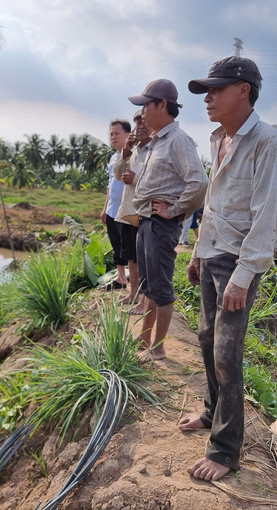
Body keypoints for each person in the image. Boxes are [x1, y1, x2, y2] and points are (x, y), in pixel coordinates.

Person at [181, 56, 277, 481]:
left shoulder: (268, 142)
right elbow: (214, 203)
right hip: (211, 252)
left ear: (243, 91)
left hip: (237, 260)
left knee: (228, 353)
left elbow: (267, 217)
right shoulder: (218, 139)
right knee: (207, 337)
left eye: (216, 90)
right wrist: (196, 251)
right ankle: (211, 412)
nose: (207, 99)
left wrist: (243, 276)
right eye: (205, 92)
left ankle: (225, 451)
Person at [127, 78, 208, 361]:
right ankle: (145, 338)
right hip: (147, 221)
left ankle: (158, 348)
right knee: (148, 286)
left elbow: (198, 182)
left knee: (161, 288)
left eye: (146, 106)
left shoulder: (178, 140)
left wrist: (174, 211)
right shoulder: (155, 143)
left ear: (162, 105)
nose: (143, 112)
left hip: (161, 224)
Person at [114, 110, 151, 314]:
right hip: (129, 210)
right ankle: (134, 292)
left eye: (144, 123)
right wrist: (125, 152)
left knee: (143, 258)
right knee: (131, 257)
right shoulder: (135, 151)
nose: (140, 128)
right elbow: (119, 175)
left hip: (144, 211)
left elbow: (160, 180)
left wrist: (135, 179)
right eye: (137, 124)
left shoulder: (156, 150)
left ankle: (143, 299)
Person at [100, 120, 131, 290]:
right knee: (116, 244)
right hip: (112, 210)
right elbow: (110, 185)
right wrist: (105, 209)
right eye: (111, 134)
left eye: (116, 133)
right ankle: (121, 279)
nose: (113, 137)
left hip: (127, 211)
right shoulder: (113, 158)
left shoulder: (135, 156)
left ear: (128, 134)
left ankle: (136, 283)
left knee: (130, 249)